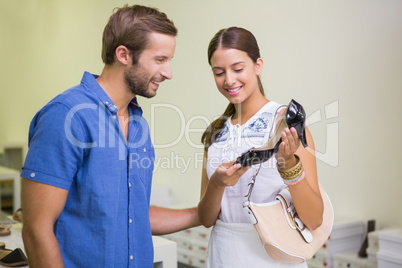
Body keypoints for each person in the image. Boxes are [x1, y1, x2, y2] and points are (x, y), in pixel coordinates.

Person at [21, 5, 200, 268]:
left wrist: (206, 211)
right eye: (160, 60)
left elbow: (134, 215)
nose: (168, 73)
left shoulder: (138, 125)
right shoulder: (67, 116)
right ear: (124, 54)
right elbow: (37, 230)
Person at [198, 27, 324, 267]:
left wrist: (289, 165)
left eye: (237, 69)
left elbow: (314, 219)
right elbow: (206, 219)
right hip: (223, 255)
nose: (229, 80)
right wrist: (217, 183)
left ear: (258, 65)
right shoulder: (215, 134)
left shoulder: (286, 126)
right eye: (219, 72)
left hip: (275, 257)